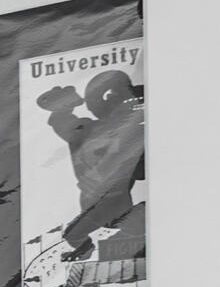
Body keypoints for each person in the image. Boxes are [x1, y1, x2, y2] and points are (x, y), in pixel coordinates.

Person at [35, 64, 145, 269]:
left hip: (111, 198)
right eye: (112, 99)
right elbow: (64, 124)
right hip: (96, 196)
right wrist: (64, 104)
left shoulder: (133, 130)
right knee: (77, 234)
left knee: (81, 233)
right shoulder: (88, 128)